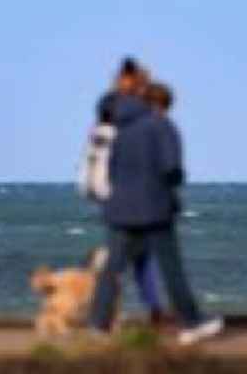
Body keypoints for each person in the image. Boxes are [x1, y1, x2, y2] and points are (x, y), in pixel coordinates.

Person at [88, 72, 223, 345]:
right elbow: (171, 168)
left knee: (112, 269)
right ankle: (191, 323)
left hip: (120, 209)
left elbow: (111, 169)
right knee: (171, 268)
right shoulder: (162, 126)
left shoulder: (122, 129)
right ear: (162, 105)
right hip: (154, 208)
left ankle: (98, 325)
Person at [80, 58, 167, 326]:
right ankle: (105, 318)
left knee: (134, 258)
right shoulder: (125, 119)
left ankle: (139, 311)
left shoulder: (108, 116)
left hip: (114, 195)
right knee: (129, 260)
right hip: (127, 197)